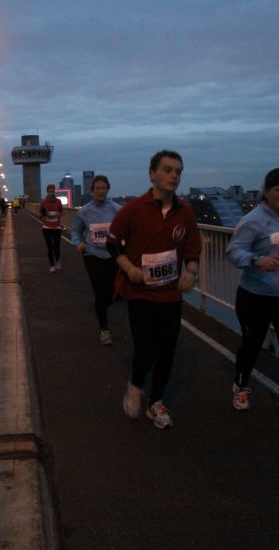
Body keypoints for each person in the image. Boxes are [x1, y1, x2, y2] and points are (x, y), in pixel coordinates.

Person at [106, 150, 202, 429]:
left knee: (167, 351)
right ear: (152, 174)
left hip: (170, 294)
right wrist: (128, 267)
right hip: (140, 293)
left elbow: (192, 250)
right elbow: (113, 243)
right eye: (168, 170)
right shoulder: (134, 209)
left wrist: (191, 273)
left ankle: (156, 402)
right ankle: (136, 384)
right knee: (146, 348)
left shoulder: (185, 212)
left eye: (178, 171)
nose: (174, 176)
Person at [226, 167, 279, 433]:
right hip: (256, 297)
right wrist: (256, 260)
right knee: (251, 345)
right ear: (266, 192)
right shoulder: (253, 220)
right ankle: (241, 384)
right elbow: (233, 251)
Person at [71, 175, 122, 346]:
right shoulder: (84, 211)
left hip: (112, 255)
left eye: (103, 188)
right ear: (92, 191)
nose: (100, 191)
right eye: (97, 188)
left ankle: (101, 303)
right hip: (92, 255)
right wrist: (78, 243)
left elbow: (127, 228)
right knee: (100, 289)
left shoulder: (117, 209)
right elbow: (76, 230)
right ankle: (104, 330)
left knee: (112, 291)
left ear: (108, 189)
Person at [39, 184, 64, 273]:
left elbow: (62, 212)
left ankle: (57, 261)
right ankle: (52, 265)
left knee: (57, 247)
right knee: (50, 248)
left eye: (53, 191)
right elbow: (40, 215)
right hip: (46, 228)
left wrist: (58, 214)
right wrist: (43, 215)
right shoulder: (43, 202)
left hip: (57, 227)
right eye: (50, 191)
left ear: (54, 191)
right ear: (47, 192)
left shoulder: (58, 201)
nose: (51, 193)